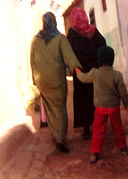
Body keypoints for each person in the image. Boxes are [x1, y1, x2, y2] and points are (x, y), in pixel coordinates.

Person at [30, 12, 82, 153]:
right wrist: (77, 69)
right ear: (54, 22)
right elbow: (70, 56)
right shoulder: (60, 38)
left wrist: (35, 80)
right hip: (56, 79)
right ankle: (60, 138)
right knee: (60, 108)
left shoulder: (35, 39)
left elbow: (32, 61)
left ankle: (55, 134)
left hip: (42, 81)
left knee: (49, 108)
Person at [75, 46, 128, 164]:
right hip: (113, 107)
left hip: (99, 108)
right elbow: (123, 92)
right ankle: (123, 148)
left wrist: (78, 73)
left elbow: (84, 78)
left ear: (98, 60)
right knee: (118, 127)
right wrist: (126, 104)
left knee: (98, 130)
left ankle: (94, 153)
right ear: (112, 59)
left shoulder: (95, 73)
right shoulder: (117, 75)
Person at [67, 7, 106, 140]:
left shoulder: (72, 32)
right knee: (95, 97)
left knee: (82, 99)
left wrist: (73, 67)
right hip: (95, 70)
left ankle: (86, 130)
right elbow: (103, 45)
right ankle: (98, 125)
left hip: (80, 72)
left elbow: (68, 51)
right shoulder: (94, 31)